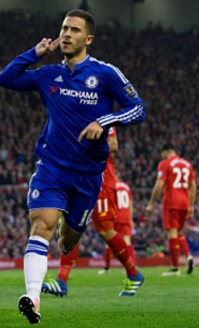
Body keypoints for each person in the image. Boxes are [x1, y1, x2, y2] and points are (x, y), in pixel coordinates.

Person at [0, 9, 145, 325]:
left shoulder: (105, 74)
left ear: (88, 38)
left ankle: (65, 261)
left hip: (89, 174)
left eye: (74, 30)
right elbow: (4, 79)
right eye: (64, 28)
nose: (66, 34)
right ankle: (32, 298)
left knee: (68, 240)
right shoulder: (48, 74)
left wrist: (104, 121)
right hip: (52, 167)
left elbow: (137, 109)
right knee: (41, 225)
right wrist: (34, 53)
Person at [41, 127, 143, 297]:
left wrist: (82, 148)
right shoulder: (73, 118)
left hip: (101, 181)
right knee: (71, 228)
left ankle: (134, 273)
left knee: (105, 230)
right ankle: (61, 281)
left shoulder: (103, 118)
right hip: (79, 181)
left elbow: (113, 144)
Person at [146, 143, 196, 276]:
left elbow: (159, 184)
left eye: (162, 153)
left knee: (172, 233)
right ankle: (188, 255)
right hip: (184, 202)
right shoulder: (187, 164)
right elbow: (193, 186)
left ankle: (175, 268)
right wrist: (191, 205)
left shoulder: (165, 163)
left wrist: (151, 203)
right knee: (178, 231)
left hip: (171, 201)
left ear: (166, 151)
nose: (161, 156)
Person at [99, 178, 136, 273]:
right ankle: (132, 266)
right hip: (126, 216)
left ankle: (107, 268)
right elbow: (130, 204)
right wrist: (130, 218)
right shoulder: (126, 186)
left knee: (109, 242)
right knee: (127, 241)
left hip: (114, 216)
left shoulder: (110, 186)